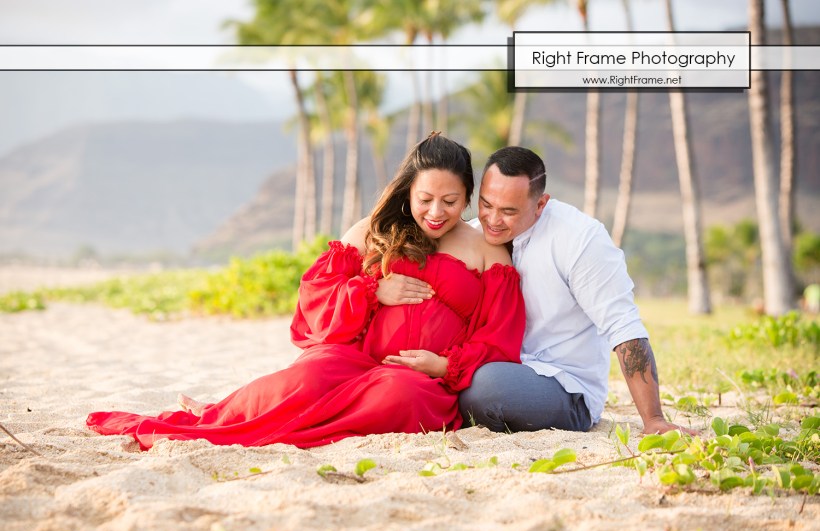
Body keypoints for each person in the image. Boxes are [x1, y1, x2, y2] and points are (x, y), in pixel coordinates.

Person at [86, 133, 525, 450]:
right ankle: (221, 416)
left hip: (421, 380)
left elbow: (500, 336)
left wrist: (442, 365)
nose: (436, 212)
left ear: (467, 197)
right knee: (308, 376)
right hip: (355, 359)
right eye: (425, 199)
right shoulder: (374, 230)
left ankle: (265, 427)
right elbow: (317, 296)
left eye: (450, 201)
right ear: (409, 190)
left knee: (397, 396)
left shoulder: (486, 250)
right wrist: (372, 290)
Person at [382, 146, 695, 436]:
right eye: (486, 204)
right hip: (488, 364)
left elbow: (624, 327)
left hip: (562, 384)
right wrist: (379, 287)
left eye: (509, 211)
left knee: (482, 388)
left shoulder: (580, 239)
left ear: (541, 204)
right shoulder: (475, 234)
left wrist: (654, 419)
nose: (492, 219)